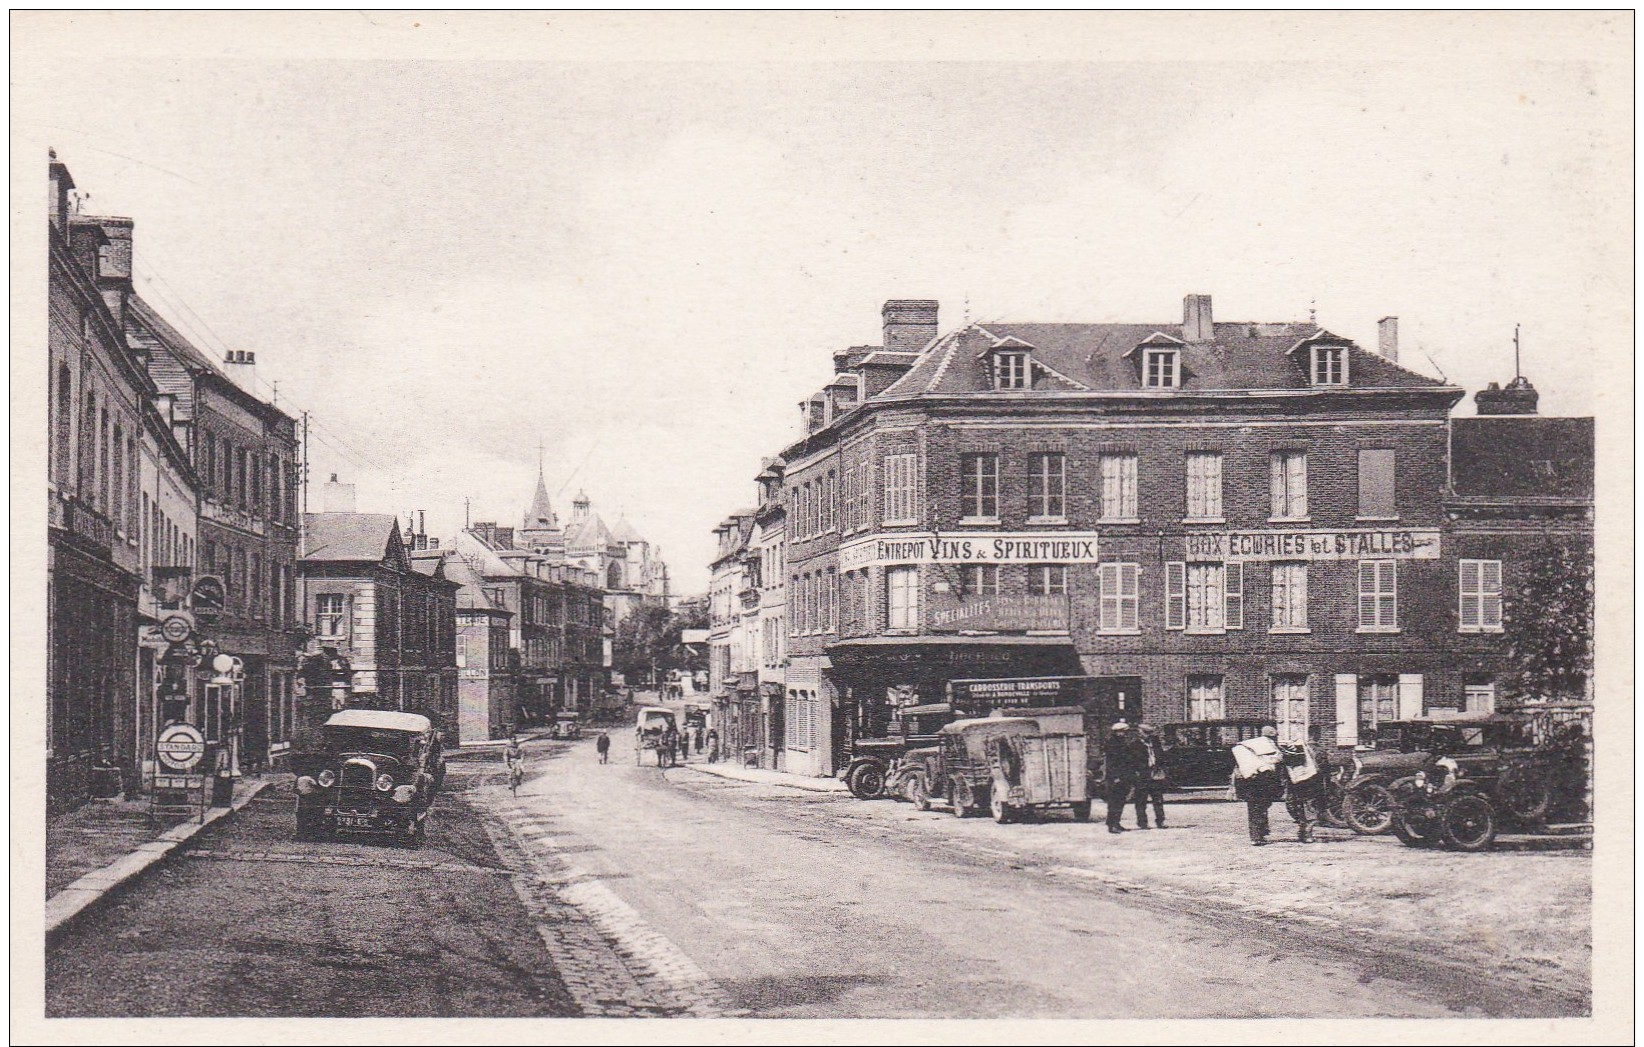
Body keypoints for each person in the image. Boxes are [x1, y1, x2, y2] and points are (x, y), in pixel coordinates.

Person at [1231, 726, 1285, 845]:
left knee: (1255, 808)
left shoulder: (1248, 747)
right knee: (1260, 807)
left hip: (1250, 782)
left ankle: (1259, 834)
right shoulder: (1269, 747)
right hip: (1262, 782)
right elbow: (1277, 760)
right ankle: (1257, 836)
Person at [1281, 740, 1325, 843]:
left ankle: (1306, 833)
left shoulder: (1308, 761)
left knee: (1307, 810)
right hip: (1299, 789)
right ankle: (1304, 832)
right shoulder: (1292, 760)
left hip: (1307, 788)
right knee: (1302, 810)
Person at [1102, 721, 1139, 834]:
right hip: (1116, 777)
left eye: (1124, 732)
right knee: (1114, 801)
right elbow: (1111, 763)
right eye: (1122, 731)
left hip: (1124, 776)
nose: (1124, 734)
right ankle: (1112, 824)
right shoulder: (1113, 744)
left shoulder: (1121, 743)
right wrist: (1115, 777)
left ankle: (1116, 823)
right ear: (1116, 732)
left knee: (1120, 801)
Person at [1132, 723, 1168, 829]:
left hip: (1155, 774)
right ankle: (1142, 822)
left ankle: (1160, 821)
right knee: (1141, 800)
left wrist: (1160, 766)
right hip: (1142, 775)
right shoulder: (1135, 745)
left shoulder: (1155, 742)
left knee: (1158, 799)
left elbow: (1161, 755)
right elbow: (1132, 761)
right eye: (1144, 733)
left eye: (1149, 733)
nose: (1147, 735)